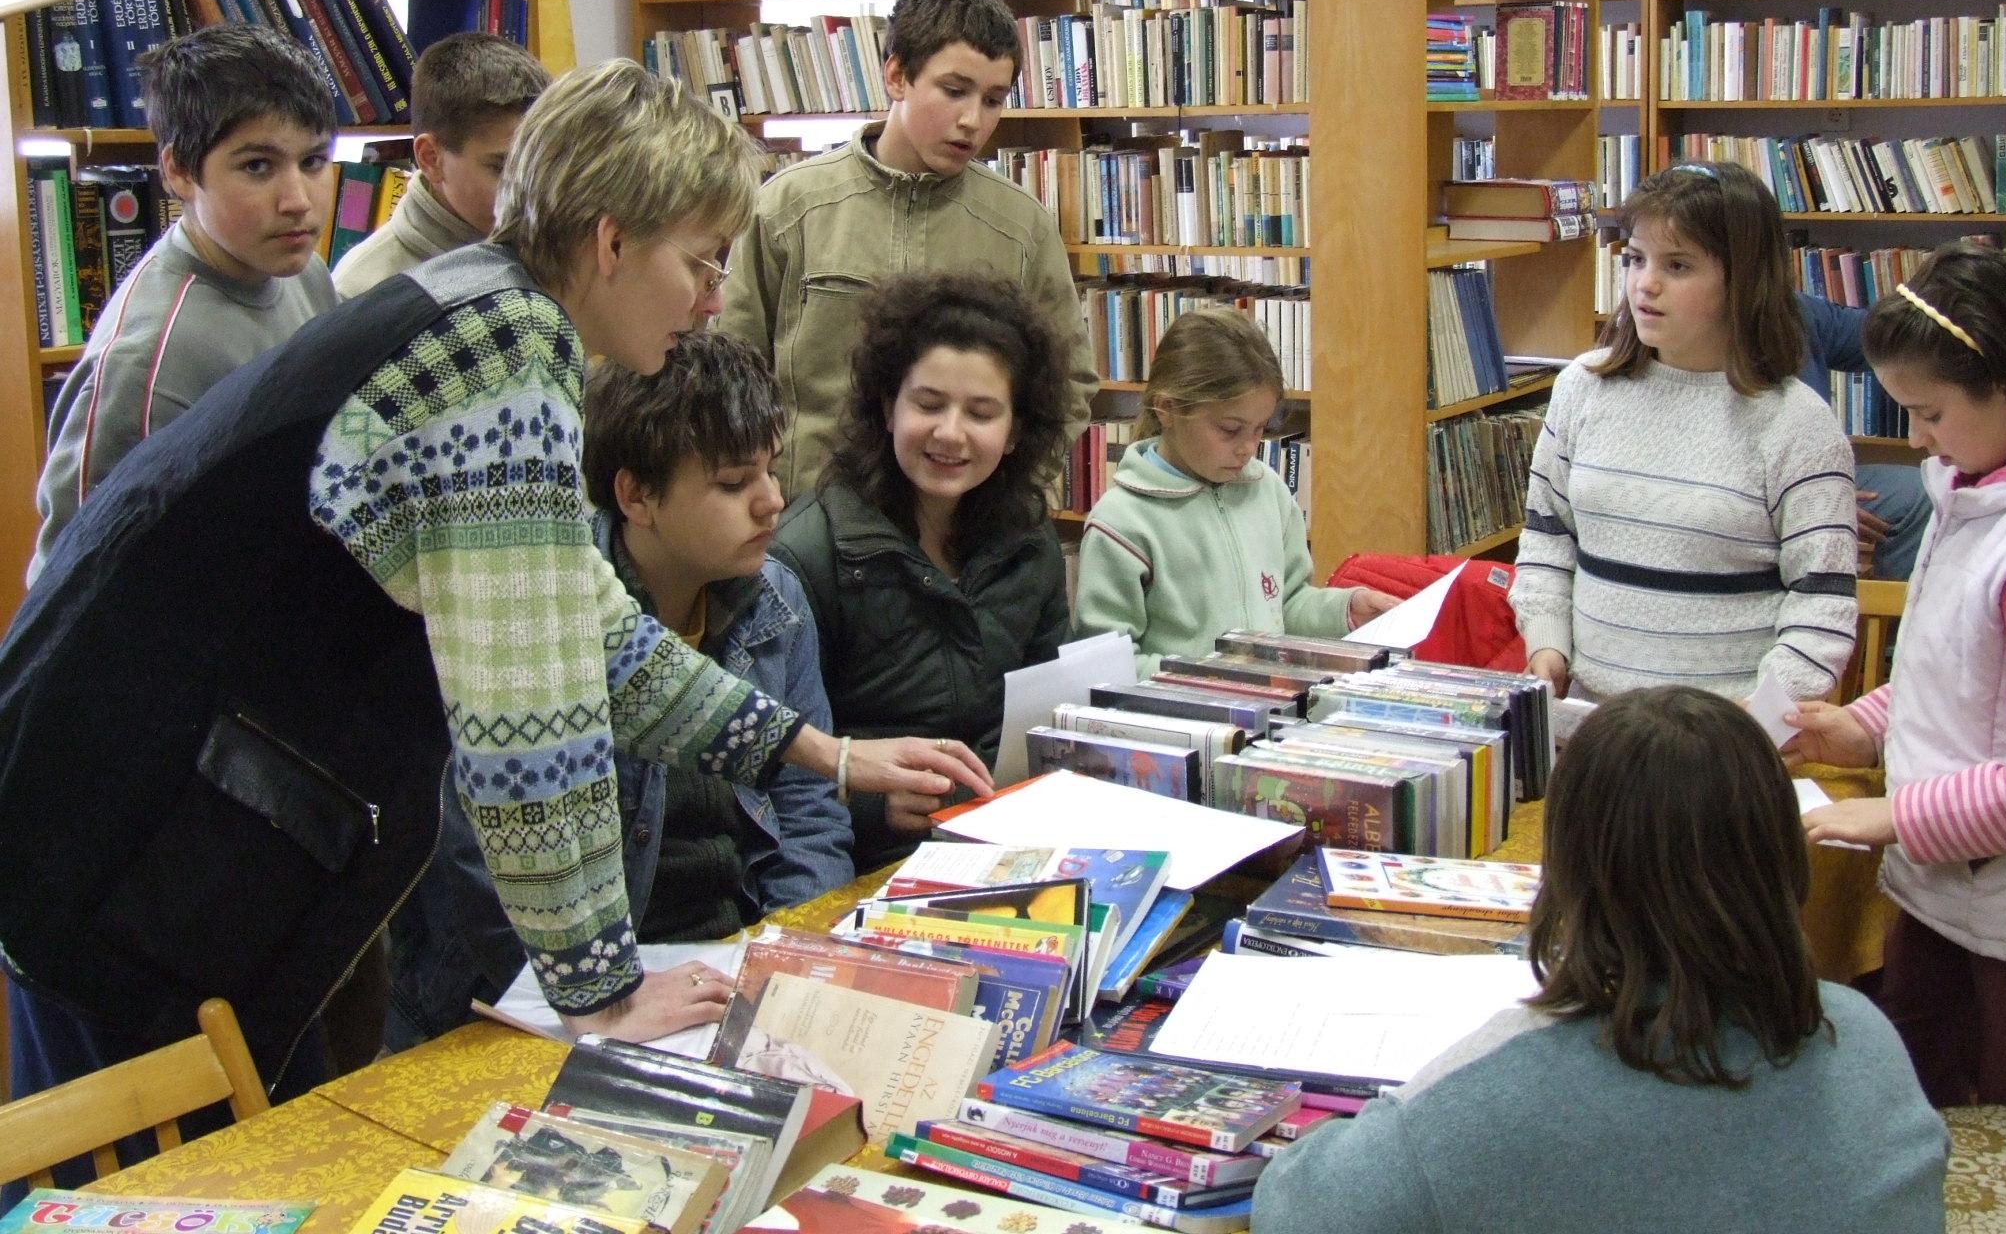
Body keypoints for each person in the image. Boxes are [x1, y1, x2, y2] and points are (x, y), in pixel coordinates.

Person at [0, 62, 991, 1114]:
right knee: (144, 1171)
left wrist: (822, 754)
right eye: (701, 259)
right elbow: (528, 711)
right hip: (124, 836)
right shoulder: (502, 360)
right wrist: (601, 991)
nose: (713, 299)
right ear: (610, 241)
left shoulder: (481, 308)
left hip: (117, 803)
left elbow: (590, 626)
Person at [1252, 685, 1949, 1234]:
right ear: (1785, 856)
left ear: (1567, 872)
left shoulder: (1492, 1102)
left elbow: (1298, 1213)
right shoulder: (1865, 1037)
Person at [383, 331, 860, 1047]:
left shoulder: (776, 600)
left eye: (770, 469)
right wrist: (609, 1000)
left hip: (722, 966)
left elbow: (809, 812)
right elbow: (479, 863)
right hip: (554, 997)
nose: (773, 502)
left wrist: (785, 960)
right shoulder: (530, 610)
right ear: (636, 496)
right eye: (734, 484)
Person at [1784, 242, 2006, 1109]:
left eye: (1929, 413)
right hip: (1948, 893)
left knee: (2003, 1136)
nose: (1915, 439)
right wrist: (1866, 725)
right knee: (1911, 1099)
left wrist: (1899, 815)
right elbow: (1962, 674)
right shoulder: (1973, 492)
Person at [720, 0, 1098, 497]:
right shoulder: (790, 207)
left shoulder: (1021, 227)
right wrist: (758, 493)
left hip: (959, 525)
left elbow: (1069, 384)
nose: (973, 120)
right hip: (808, 516)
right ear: (897, 76)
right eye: (954, 91)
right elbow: (732, 368)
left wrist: (1006, 494)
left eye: (993, 100)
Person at [1510, 161, 1859, 704]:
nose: (1645, 284)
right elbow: (1548, 539)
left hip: (1724, 730)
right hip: (1592, 718)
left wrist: (1757, 718)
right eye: (1635, 259)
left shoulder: (1797, 424)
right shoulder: (1582, 387)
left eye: (1677, 265)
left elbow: (1822, 605)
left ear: (1741, 281)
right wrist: (1547, 645)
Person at [770, 272, 1071, 870]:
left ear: (1015, 431)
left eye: (981, 413)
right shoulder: (807, 554)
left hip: (1011, 838)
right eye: (928, 405)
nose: (950, 433)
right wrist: (867, 802)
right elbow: (768, 759)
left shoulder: (1029, 538)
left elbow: (1046, 709)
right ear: (888, 407)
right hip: (866, 860)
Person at [31, 24, 338, 582]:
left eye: (314, 161)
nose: (298, 201)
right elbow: (70, 589)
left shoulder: (306, 274)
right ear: (178, 171)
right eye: (257, 166)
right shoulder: (147, 361)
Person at [1071, 307, 1394, 674]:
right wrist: (1212, 677)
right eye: (1229, 429)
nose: (1248, 448)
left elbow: (1286, 605)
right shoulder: (1121, 523)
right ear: (1166, 409)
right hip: (1182, 709)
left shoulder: (1268, 491)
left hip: (1267, 702)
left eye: (1259, 429)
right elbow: (1105, 666)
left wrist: (1344, 611)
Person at [333, 32, 550, 298]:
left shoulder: (562, 254)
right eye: (502, 168)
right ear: (431, 159)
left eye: (539, 164)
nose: (530, 193)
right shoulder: (361, 291)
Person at [1797, 289, 1932, 579]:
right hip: (1741, 490)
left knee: (1925, 494)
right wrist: (1805, 502)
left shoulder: (1795, 310)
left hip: (1824, 475)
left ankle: (1899, 607)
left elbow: (1893, 336)